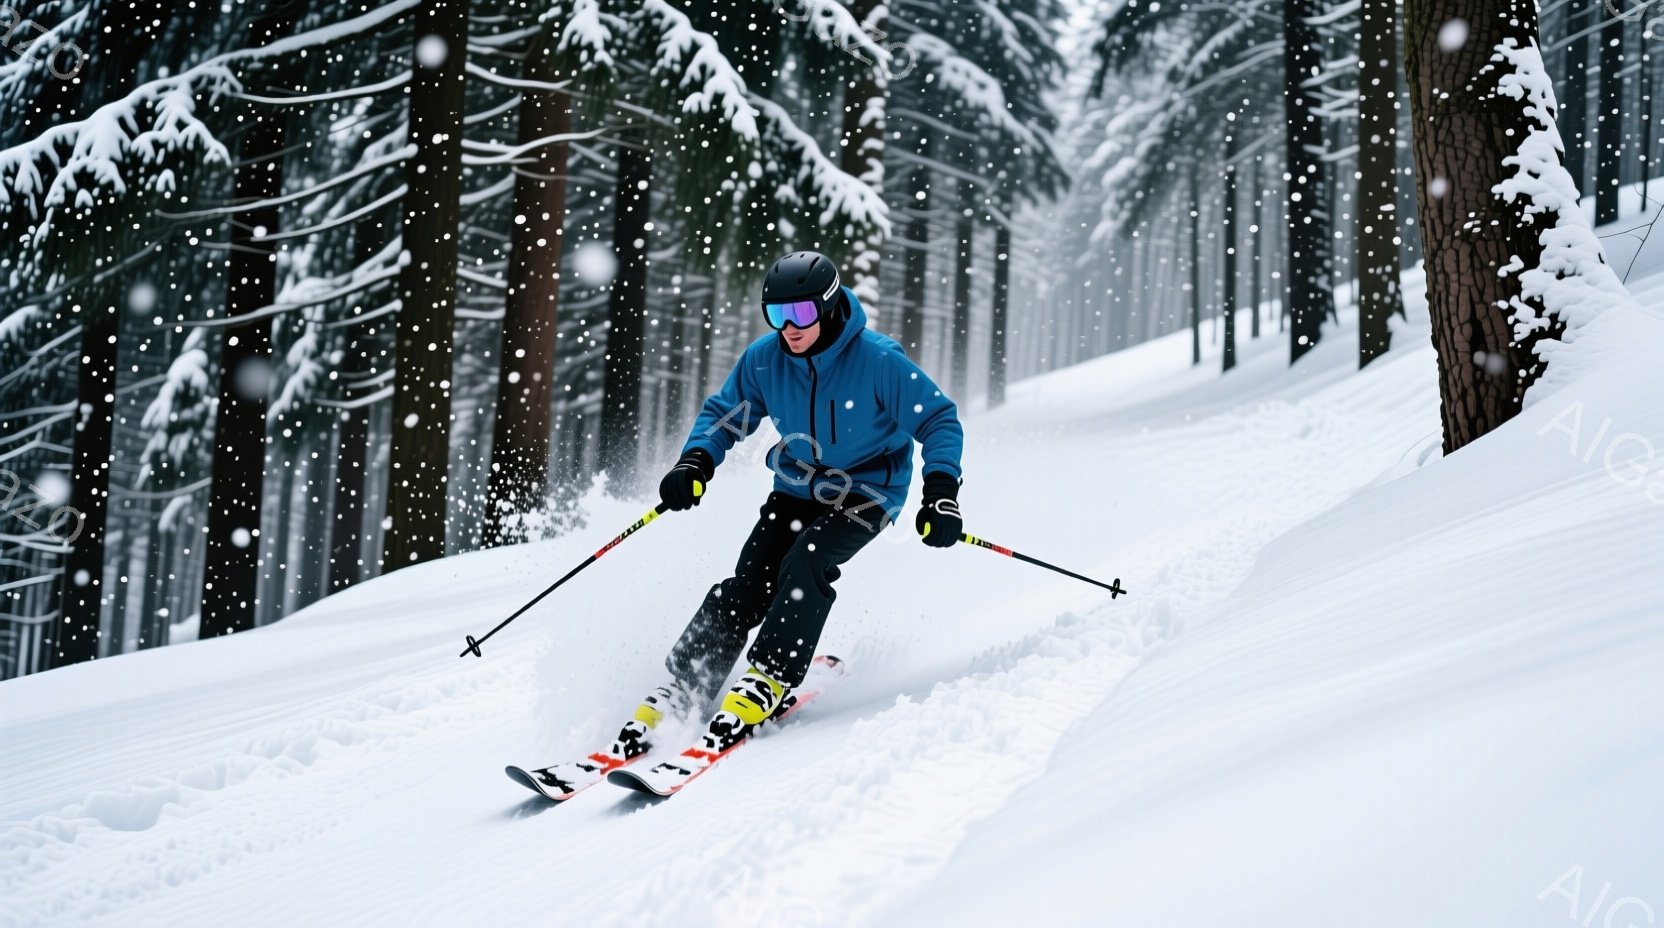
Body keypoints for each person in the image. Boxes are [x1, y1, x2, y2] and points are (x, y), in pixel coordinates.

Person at [615, 250, 966, 757]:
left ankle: (770, 677)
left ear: (828, 306)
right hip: (797, 486)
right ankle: (687, 682)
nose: (789, 328)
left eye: (800, 313)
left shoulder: (878, 360)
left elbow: (938, 421)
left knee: (807, 561)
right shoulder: (766, 359)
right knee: (750, 580)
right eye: (776, 314)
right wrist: (695, 462)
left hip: (867, 493)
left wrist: (941, 494)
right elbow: (726, 416)